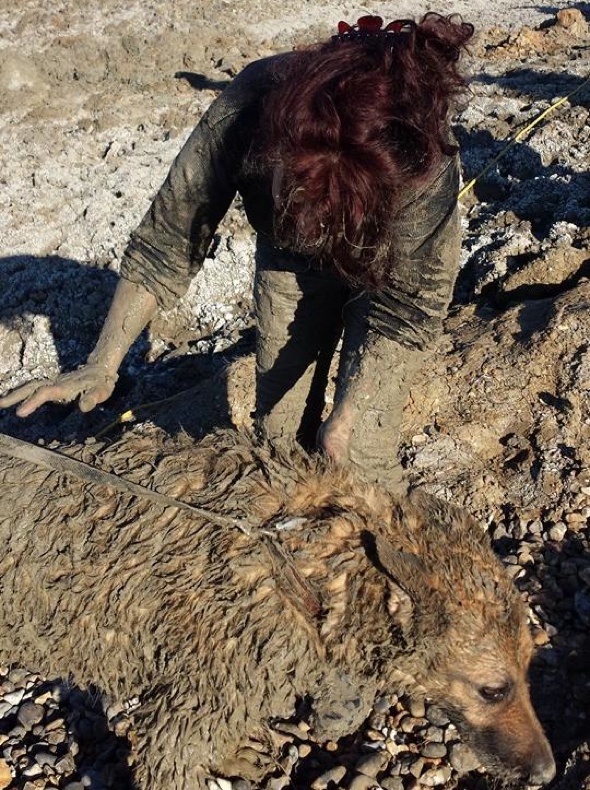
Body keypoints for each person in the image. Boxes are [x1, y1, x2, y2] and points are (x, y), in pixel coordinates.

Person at [0, 13, 474, 491]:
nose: (315, 221)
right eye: (300, 193)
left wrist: (350, 418)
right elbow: (170, 235)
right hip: (289, 258)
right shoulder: (250, 106)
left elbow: (408, 307)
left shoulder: (422, 160)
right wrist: (102, 362)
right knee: (281, 440)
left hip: (388, 266)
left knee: (361, 455)